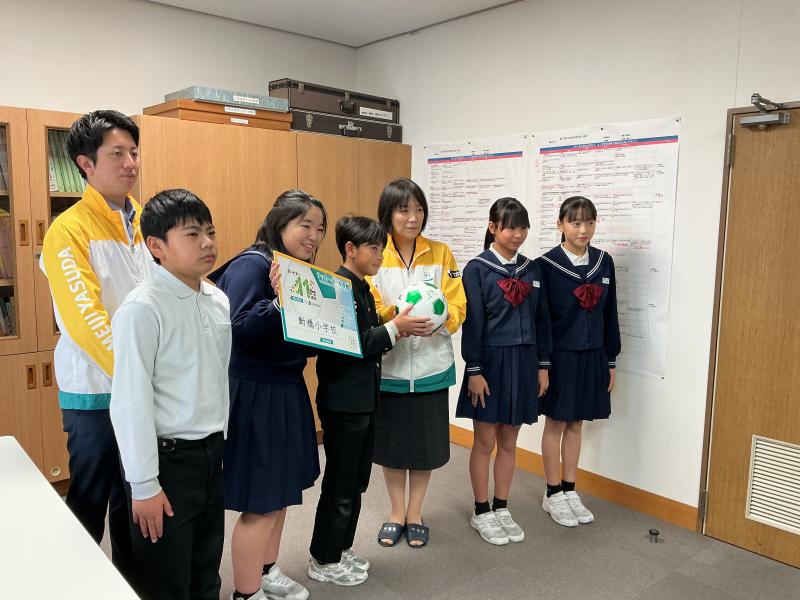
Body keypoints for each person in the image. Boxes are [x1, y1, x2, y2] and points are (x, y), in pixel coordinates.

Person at [40, 110, 155, 578]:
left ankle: (129, 583)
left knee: (134, 493)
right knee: (90, 496)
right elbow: (85, 319)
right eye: (117, 154)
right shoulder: (68, 230)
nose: (130, 163)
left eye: (134, 152)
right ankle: (74, 582)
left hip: (141, 384)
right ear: (86, 164)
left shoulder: (147, 221)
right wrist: (135, 374)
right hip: (94, 390)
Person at [110, 189, 230, 600]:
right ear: (156, 246)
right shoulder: (142, 308)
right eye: (193, 234)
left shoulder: (218, 299)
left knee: (206, 570)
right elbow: (130, 401)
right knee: (164, 578)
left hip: (210, 454)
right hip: (167, 462)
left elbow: (217, 379)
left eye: (210, 232)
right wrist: (144, 484)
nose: (208, 243)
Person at [209, 190, 326, 600]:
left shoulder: (295, 270)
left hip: (286, 387)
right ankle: (246, 592)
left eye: (320, 229)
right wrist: (280, 304)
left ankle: (266, 570)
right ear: (280, 223)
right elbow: (238, 331)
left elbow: (300, 339)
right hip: (255, 392)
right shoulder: (252, 265)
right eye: (305, 225)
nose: (314, 236)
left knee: (280, 492)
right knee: (261, 500)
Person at [308, 215, 432, 585]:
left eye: (382, 248)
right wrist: (395, 329)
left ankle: (341, 547)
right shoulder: (337, 288)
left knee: (356, 481)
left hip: (363, 400)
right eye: (374, 248)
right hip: (343, 403)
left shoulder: (362, 286)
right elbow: (354, 343)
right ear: (351, 249)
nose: (380, 255)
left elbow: (369, 333)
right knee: (340, 483)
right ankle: (323, 558)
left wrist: (393, 326)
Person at [367, 178, 467, 548]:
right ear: (388, 214)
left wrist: (440, 320)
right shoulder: (376, 253)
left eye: (419, 209)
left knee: (424, 449)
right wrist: (398, 320)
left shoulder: (440, 253)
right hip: (390, 367)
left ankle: (415, 513)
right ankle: (396, 513)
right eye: (404, 210)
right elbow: (372, 303)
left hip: (430, 368)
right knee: (393, 448)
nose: (413, 218)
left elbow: (458, 304)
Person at [455, 197, 551, 545]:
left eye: (523, 227)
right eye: (510, 227)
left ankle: (502, 506)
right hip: (489, 363)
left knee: (510, 440)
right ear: (493, 227)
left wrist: (542, 366)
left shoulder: (532, 269)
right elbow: (473, 324)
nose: (517, 234)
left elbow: (542, 321)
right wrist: (474, 370)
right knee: (484, 441)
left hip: (524, 363)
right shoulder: (477, 269)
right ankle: (481, 510)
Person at [535, 195, 621, 527]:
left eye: (589, 222)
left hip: (593, 354)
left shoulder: (604, 262)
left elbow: (610, 313)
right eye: (575, 222)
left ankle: (570, 490)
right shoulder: (545, 265)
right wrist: (543, 364)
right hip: (560, 356)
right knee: (556, 423)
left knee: (577, 423)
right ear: (560, 224)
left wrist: (610, 359)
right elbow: (541, 320)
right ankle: (552, 492)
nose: (583, 229)